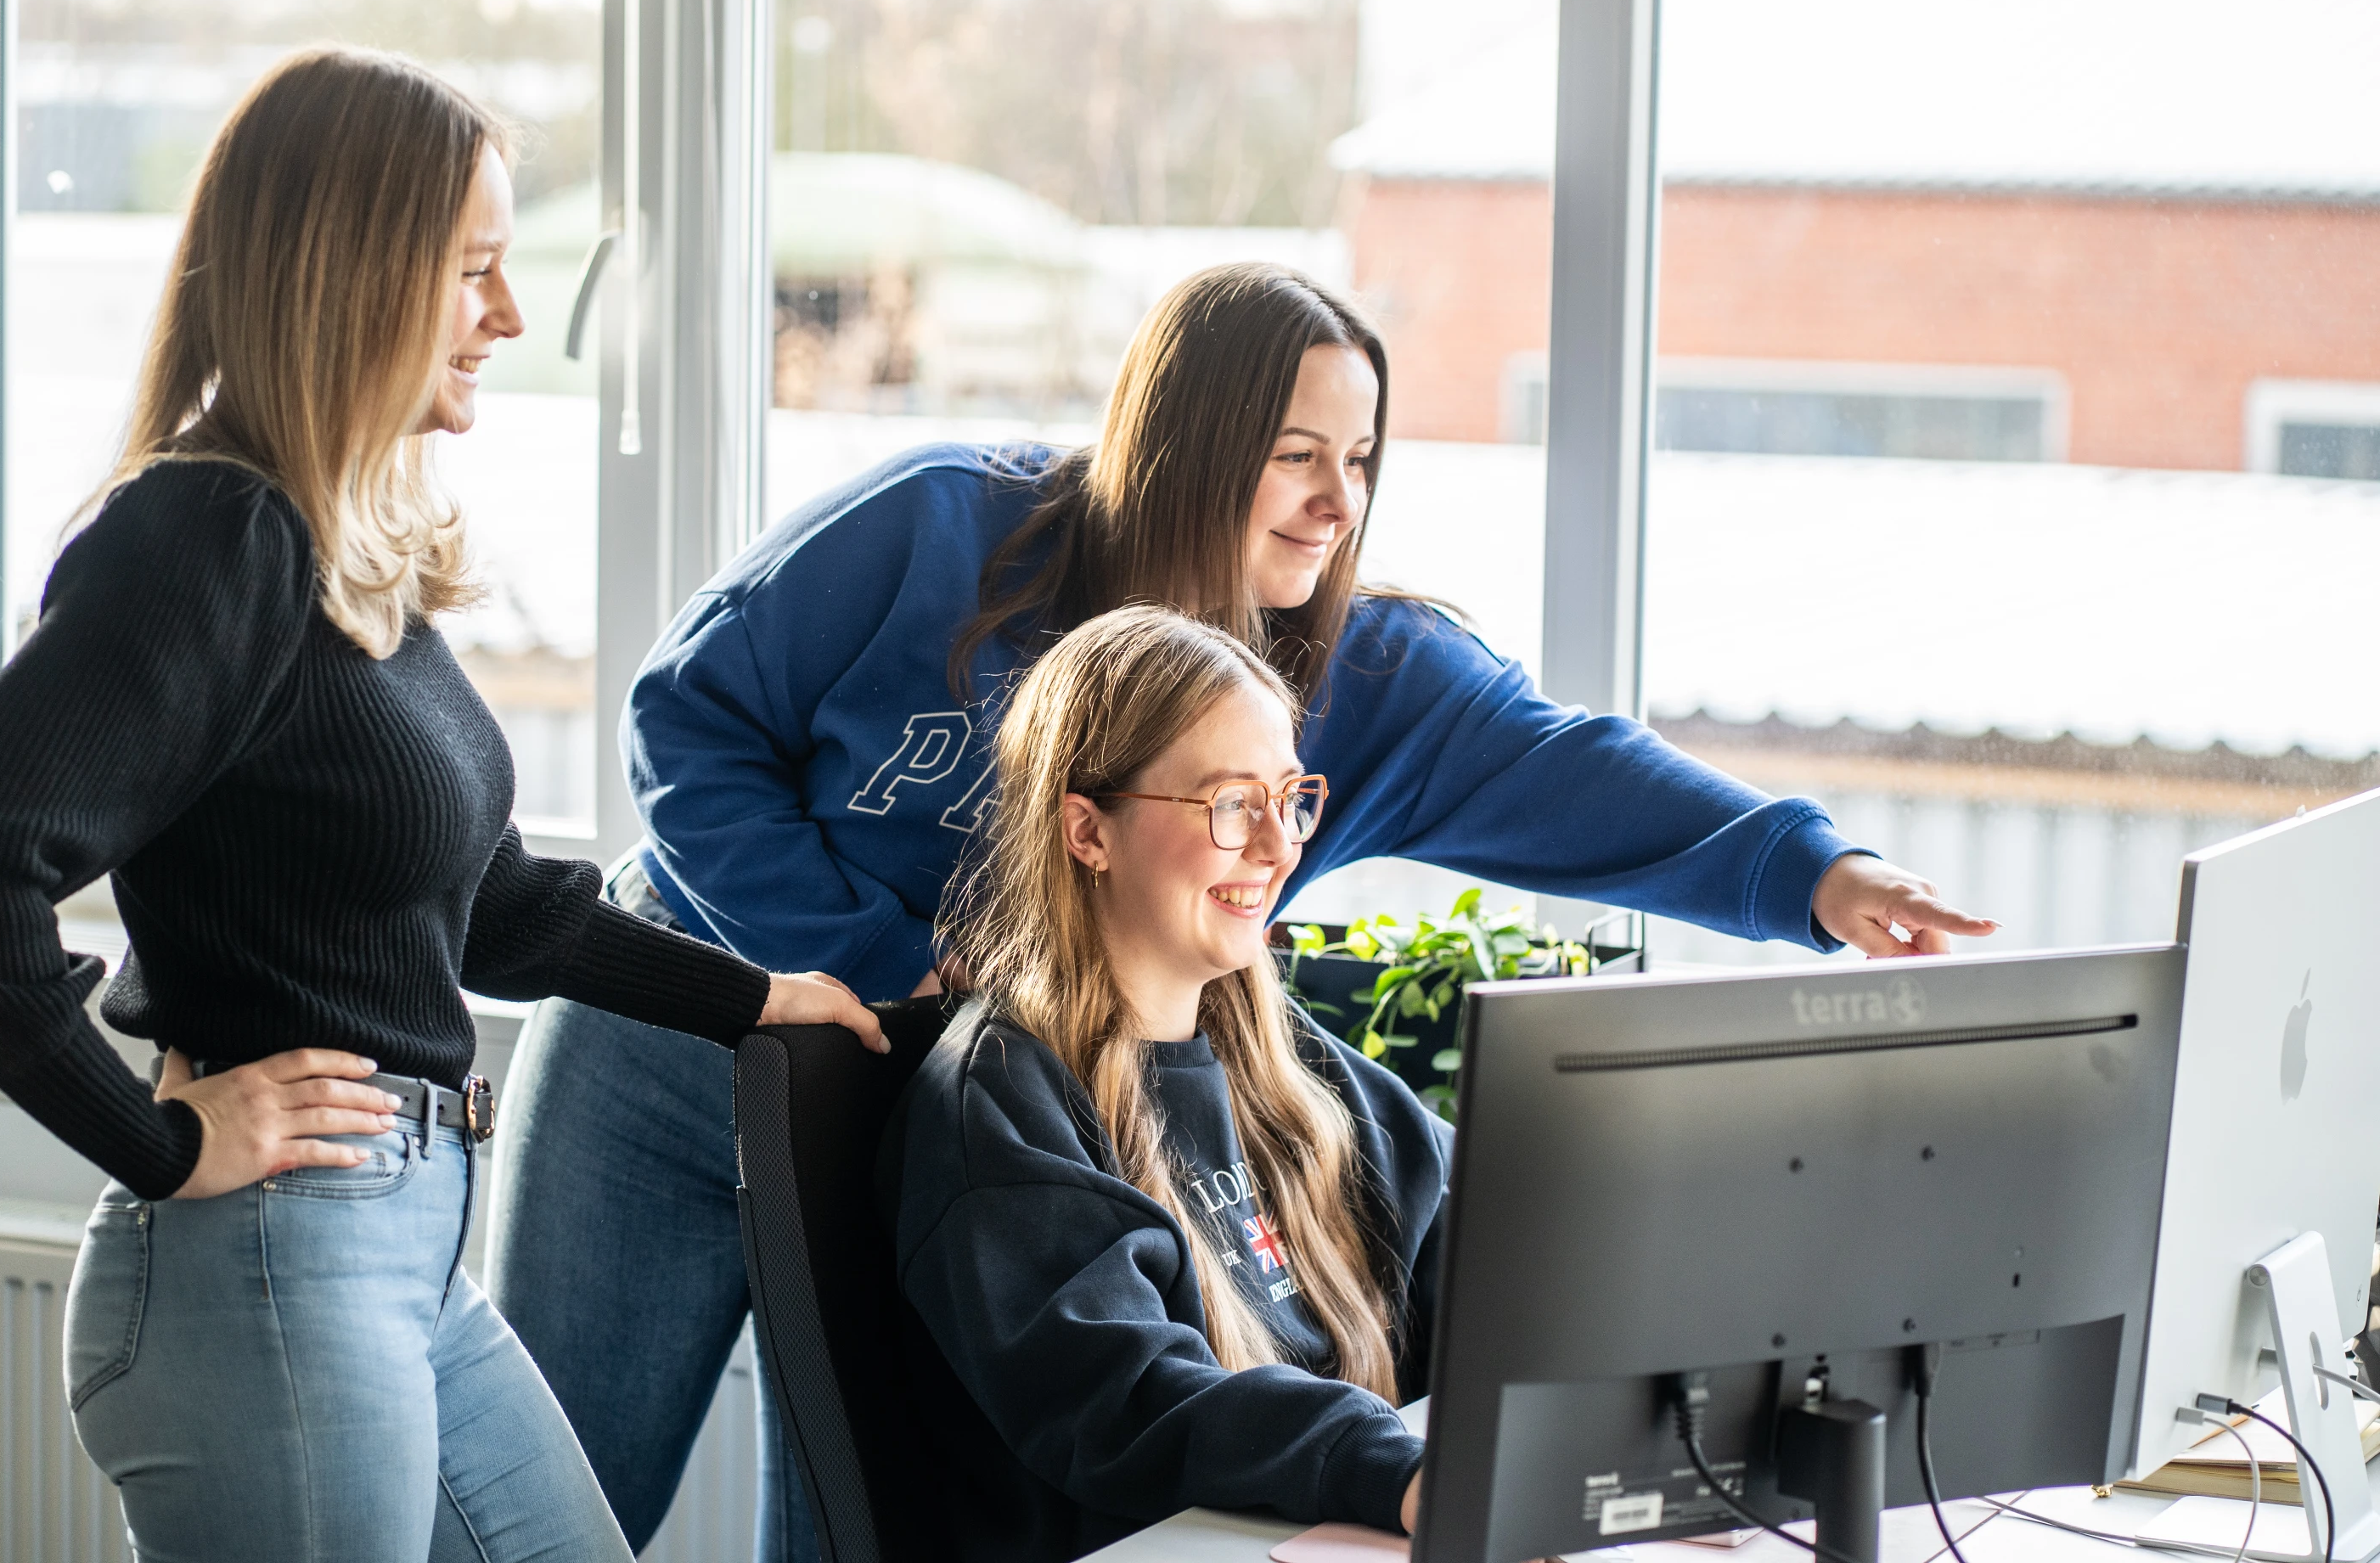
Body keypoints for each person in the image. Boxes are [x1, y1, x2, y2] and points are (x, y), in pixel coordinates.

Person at [486, 261, 1996, 1555]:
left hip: (954, 1107)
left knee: (861, 1497)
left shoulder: (1359, 676)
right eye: (1294, 454)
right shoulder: (944, 530)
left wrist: (1813, 877)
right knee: (547, 1501)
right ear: (1191, 442)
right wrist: (889, 972)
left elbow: (1571, 770)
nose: (1339, 503)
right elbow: (687, 720)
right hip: (683, 1041)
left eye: (1364, 461)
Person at [0, 48, 881, 1563]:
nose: (511, 317)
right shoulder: (213, 538)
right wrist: (154, 1144)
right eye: (474, 270)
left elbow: (490, 908)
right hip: (270, 1257)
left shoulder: (349, 556)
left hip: (399, 1257)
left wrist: (756, 1002)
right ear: (354, 272)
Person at [888, 603, 1447, 1560]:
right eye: (1233, 803)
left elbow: (1491, 1242)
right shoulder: (1000, 1103)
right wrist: (1391, 1469)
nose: (1280, 846)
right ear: (1087, 830)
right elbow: (1132, 1398)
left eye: (1289, 797)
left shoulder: (1283, 1059)